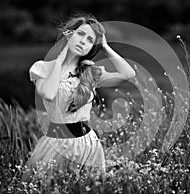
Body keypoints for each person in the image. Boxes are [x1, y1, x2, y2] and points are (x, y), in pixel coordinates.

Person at [22, 13, 136, 182]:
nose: (84, 41)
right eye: (81, 34)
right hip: (55, 144)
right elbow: (48, 93)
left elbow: (128, 74)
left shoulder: (90, 72)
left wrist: (104, 46)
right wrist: (60, 60)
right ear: (69, 34)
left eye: (90, 40)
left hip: (87, 145)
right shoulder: (42, 68)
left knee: (88, 187)